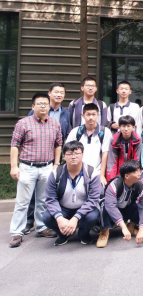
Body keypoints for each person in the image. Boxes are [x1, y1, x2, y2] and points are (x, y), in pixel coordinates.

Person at [9, 92, 62, 248]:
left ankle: (41, 227)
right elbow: (14, 145)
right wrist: (14, 166)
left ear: (49, 106)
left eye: (45, 104)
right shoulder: (23, 123)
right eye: (39, 104)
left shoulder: (55, 123)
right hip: (27, 167)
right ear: (33, 106)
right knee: (22, 202)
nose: (43, 106)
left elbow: (58, 145)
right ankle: (17, 232)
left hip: (47, 167)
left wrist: (56, 163)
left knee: (43, 201)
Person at [24, 82, 70, 235]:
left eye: (62, 92)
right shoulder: (38, 109)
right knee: (32, 192)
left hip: (54, 157)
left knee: (46, 192)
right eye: (56, 92)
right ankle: (28, 221)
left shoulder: (66, 113)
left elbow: (65, 135)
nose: (59, 95)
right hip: (36, 155)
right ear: (49, 93)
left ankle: (43, 224)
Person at [43, 141, 101, 246]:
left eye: (77, 153)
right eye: (69, 154)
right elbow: (51, 199)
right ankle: (64, 234)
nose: (73, 157)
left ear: (82, 154)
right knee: (47, 217)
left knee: (92, 216)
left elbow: (93, 199)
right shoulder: (55, 174)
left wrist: (75, 218)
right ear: (64, 156)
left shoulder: (92, 173)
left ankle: (83, 234)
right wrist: (59, 218)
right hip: (63, 208)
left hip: (84, 208)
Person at [97, 160, 143, 248]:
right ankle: (104, 230)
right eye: (136, 171)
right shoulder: (114, 185)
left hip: (126, 209)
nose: (139, 173)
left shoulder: (141, 185)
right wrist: (123, 227)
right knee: (105, 206)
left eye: (139, 170)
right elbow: (111, 206)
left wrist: (141, 229)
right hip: (112, 213)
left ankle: (131, 226)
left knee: (140, 204)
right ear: (126, 176)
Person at [66, 103, 112, 175]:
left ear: (98, 115)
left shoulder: (105, 132)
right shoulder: (75, 132)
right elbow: (68, 151)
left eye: (93, 114)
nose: (91, 117)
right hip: (78, 172)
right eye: (88, 114)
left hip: (97, 172)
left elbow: (105, 153)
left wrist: (102, 175)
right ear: (83, 115)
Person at [105, 115, 142, 183]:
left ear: (133, 127)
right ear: (119, 127)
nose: (126, 129)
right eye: (123, 126)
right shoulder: (114, 140)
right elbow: (112, 162)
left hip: (132, 171)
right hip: (118, 172)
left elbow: (136, 160)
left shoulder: (137, 139)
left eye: (128, 126)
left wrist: (133, 177)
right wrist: (112, 181)